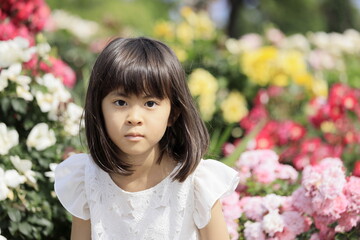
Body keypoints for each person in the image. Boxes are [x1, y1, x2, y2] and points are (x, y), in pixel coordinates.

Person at [54, 37, 240, 240]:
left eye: (150, 103)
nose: (134, 118)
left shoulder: (196, 183)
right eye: (120, 102)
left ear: (173, 114)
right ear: (99, 109)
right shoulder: (87, 180)